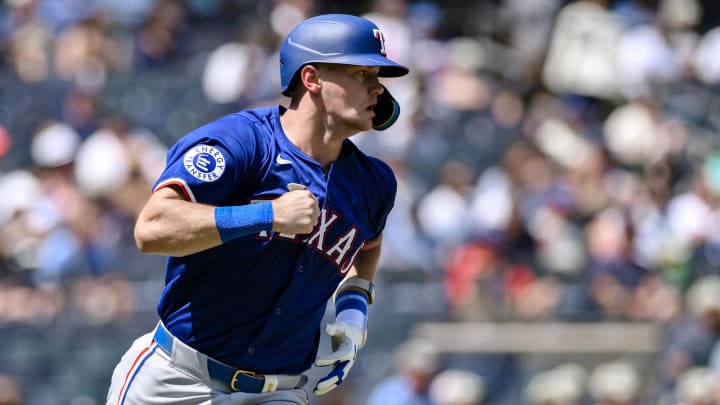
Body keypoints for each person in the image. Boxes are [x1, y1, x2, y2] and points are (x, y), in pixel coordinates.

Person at [105, 13, 408, 405]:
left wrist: (353, 315)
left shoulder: (374, 183)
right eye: (362, 74)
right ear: (311, 78)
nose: (377, 91)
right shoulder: (244, 142)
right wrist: (266, 215)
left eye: (378, 78)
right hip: (178, 380)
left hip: (277, 391)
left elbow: (367, 248)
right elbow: (152, 228)